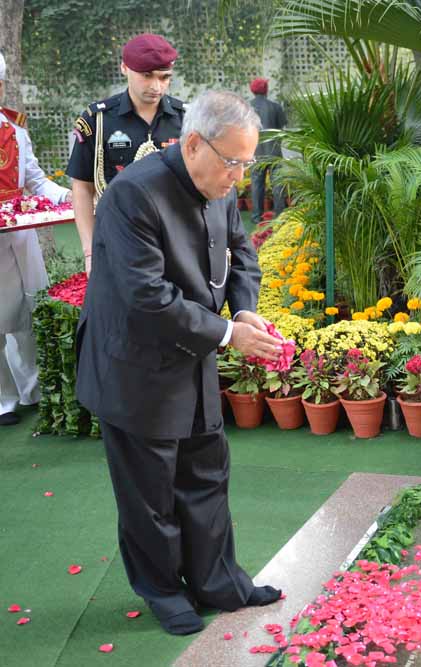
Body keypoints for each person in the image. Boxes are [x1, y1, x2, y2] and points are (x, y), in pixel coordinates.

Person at [75, 90, 285, 635]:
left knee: (206, 470)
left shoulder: (216, 183)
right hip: (134, 363)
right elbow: (146, 298)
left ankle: (219, 582)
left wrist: (245, 309)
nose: (240, 176)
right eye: (234, 162)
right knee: (150, 490)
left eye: (248, 163)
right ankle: (165, 592)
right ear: (194, 145)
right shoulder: (131, 196)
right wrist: (226, 334)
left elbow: (242, 251)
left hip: (193, 352)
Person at [67, 33, 186, 276]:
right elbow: (82, 186)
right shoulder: (97, 121)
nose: (156, 86)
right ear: (124, 68)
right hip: (116, 239)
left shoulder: (186, 119)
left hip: (175, 241)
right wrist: (90, 253)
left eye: (165, 78)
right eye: (146, 75)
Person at [0, 51, 71, 426]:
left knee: (31, 307)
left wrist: (67, 195)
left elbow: (36, 180)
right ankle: (3, 399)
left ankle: (33, 389)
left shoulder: (15, 129)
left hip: (21, 234)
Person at [248, 77, 287, 224]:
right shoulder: (276, 107)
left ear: (252, 89)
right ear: (266, 90)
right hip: (274, 152)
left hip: (255, 151)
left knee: (257, 184)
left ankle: (256, 217)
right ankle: (280, 216)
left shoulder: (247, 108)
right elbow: (282, 127)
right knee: (277, 184)